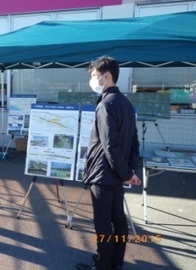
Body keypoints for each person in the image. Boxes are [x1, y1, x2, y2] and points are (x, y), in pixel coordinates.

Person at [76, 56, 141, 270]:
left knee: (103, 224)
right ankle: (116, 264)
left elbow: (109, 145)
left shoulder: (105, 105)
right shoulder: (126, 103)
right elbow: (133, 142)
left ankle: (102, 265)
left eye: (95, 76)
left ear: (106, 76)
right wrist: (130, 172)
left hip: (103, 174)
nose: (93, 80)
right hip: (117, 174)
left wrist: (125, 172)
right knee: (119, 222)